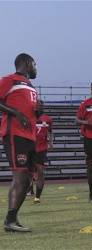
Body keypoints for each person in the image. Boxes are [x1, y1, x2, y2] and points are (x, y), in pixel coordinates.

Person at [0, 53, 38, 232]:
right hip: (15, 134)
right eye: (34, 64)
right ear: (27, 63)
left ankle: (13, 218)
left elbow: (30, 111)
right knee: (20, 176)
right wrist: (15, 113)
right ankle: (10, 220)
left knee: (28, 179)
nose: (36, 68)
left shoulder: (30, 85)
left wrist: (39, 110)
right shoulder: (10, 80)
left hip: (30, 136)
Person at [33, 100, 53, 203]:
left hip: (42, 149)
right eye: (37, 105)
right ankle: (29, 191)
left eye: (41, 105)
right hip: (30, 148)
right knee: (27, 172)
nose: (39, 107)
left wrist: (51, 142)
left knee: (40, 172)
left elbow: (50, 132)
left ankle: (37, 197)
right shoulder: (29, 117)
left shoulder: (48, 119)